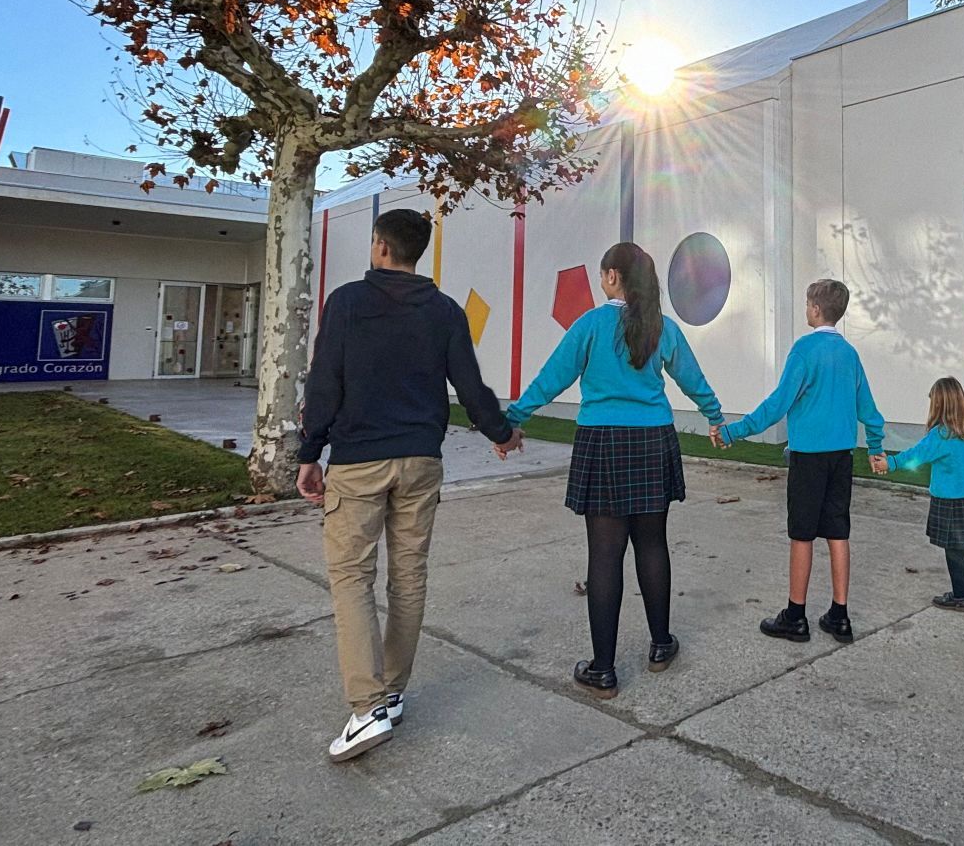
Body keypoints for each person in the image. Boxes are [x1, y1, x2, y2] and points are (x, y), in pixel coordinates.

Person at [296, 208, 524, 763]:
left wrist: (310, 453)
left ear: (380, 246)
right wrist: (501, 433)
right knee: (408, 577)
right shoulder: (444, 310)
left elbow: (325, 381)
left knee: (352, 578)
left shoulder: (347, 302)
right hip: (421, 461)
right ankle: (392, 693)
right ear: (417, 252)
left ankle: (367, 708)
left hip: (358, 461)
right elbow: (469, 385)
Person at [506, 242, 725, 698]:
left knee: (604, 556)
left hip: (603, 441)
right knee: (653, 543)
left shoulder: (590, 324)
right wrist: (714, 415)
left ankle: (602, 671)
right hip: (653, 440)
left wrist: (514, 419)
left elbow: (553, 376)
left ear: (611, 276)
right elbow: (692, 377)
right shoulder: (662, 327)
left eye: (603, 273)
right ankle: (661, 645)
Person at [715, 279, 886, 644]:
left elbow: (777, 404)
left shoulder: (804, 351)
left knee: (802, 534)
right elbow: (868, 407)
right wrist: (875, 445)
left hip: (809, 458)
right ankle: (840, 615)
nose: (806, 309)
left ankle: (795, 616)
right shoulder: (850, 354)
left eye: (808, 304)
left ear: (816, 309)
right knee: (838, 532)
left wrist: (734, 432)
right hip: (842, 457)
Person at [873, 377, 964, 611]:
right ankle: (963, 593)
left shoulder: (941, 435)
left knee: (954, 550)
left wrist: (890, 463)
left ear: (939, 404)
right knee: (959, 549)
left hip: (947, 501)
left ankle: (963, 596)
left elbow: (916, 455)